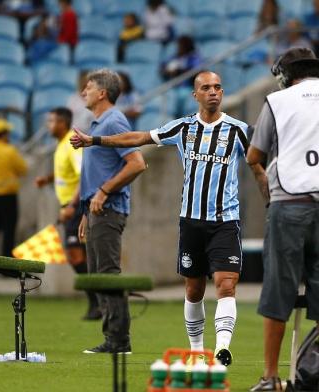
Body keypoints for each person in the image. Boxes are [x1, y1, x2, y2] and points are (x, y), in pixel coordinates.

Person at [71, 70, 251, 365]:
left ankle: (222, 347)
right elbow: (139, 137)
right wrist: (95, 141)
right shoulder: (182, 128)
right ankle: (195, 350)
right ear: (195, 95)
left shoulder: (239, 130)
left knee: (226, 284)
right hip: (191, 221)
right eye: (206, 87)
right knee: (193, 289)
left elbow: (259, 161)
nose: (214, 92)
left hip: (225, 220)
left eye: (218, 87)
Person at [247, 47, 319, 391]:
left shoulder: (278, 100)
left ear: (285, 75)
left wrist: (265, 186)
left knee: (278, 293)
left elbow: (254, 155)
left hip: (289, 203)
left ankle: (271, 377)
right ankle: (310, 370)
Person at [75, 69, 147, 354]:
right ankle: (113, 338)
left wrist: (104, 191)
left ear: (102, 93)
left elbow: (137, 163)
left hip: (109, 209)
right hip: (96, 210)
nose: (84, 92)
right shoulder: (99, 124)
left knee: (107, 273)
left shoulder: (114, 122)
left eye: (88, 87)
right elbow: (98, 171)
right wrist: (85, 212)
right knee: (97, 276)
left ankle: (118, 340)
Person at [34, 107, 101, 320]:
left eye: (51, 121)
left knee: (77, 255)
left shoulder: (72, 143)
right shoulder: (61, 145)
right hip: (70, 205)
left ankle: (98, 300)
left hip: (77, 206)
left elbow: (84, 175)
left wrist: (71, 206)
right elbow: (68, 172)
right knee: (77, 256)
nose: (48, 126)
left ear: (63, 123)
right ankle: (97, 301)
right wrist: (49, 178)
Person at [0, 118, 28, 272]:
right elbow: (22, 169)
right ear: (3, 134)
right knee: (8, 232)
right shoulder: (9, 151)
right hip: (7, 196)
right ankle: (6, 267)